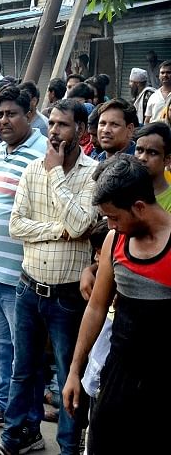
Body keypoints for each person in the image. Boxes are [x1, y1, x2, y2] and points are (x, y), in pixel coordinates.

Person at [0, 99, 98, 455]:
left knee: (69, 374)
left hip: (68, 296)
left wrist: (55, 175)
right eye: (51, 124)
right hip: (29, 287)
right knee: (25, 370)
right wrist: (59, 229)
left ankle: (68, 447)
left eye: (63, 125)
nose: (54, 131)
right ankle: (19, 436)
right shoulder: (32, 169)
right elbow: (16, 224)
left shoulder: (92, 173)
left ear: (80, 131)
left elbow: (82, 223)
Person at [61, 156, 170, 454]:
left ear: (139, 207)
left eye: (114, 217)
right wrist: (75, 370)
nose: (110, 225)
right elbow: (96, 309)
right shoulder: (114, 241)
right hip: (117, 378)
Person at [0, 86, 48, 430]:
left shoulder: (43, 154)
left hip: (20, 276)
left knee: (24, 355)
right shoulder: (0, 150)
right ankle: (3, 406)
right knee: (1, 349)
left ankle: (27, 425)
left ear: (29, 115)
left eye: (11, 113)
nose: (4, 120)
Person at [132, 122, 171, 212]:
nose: (142, 158)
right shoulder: (124, 188)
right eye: (139, 150)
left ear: (167, 159)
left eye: (152, 152)